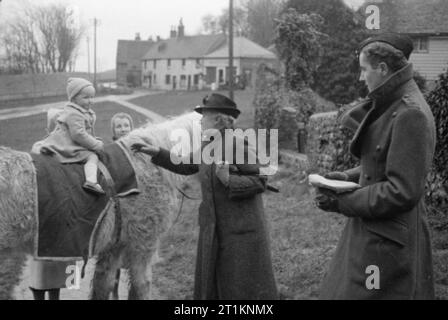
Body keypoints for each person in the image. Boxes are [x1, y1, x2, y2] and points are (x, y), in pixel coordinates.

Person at [315, 33, 436, 299]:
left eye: (364, 69)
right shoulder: (395, 103)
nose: (361, 78)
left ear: (382, 69)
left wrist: (340, 202)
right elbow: (385, 164)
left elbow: (401, 190)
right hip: (377, 229)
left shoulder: (410, 113)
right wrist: (344, 177)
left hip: (388, 240)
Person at [132, 93, 278, 300]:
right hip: (215, 227)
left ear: (218, 120)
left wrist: (229, 180)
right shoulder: (210, 144)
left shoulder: (237, 143)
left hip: (240, 231)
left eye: (204, 116)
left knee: (240, 288)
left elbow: (260, 180)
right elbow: (187, 164)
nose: (200, 121)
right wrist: (156, 151)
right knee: (218, 285)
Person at [32, 77, 105, 195]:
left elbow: (85, 132)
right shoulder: (74, 114)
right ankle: (91, 181)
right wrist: (95, 145)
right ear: (74, 98)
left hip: (71, 140)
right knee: (92, 156)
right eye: (86, 97)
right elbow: (78, 135)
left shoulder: (80, 111)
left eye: (92, 97)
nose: (90, 101)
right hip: (68, 143)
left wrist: (93, 139)